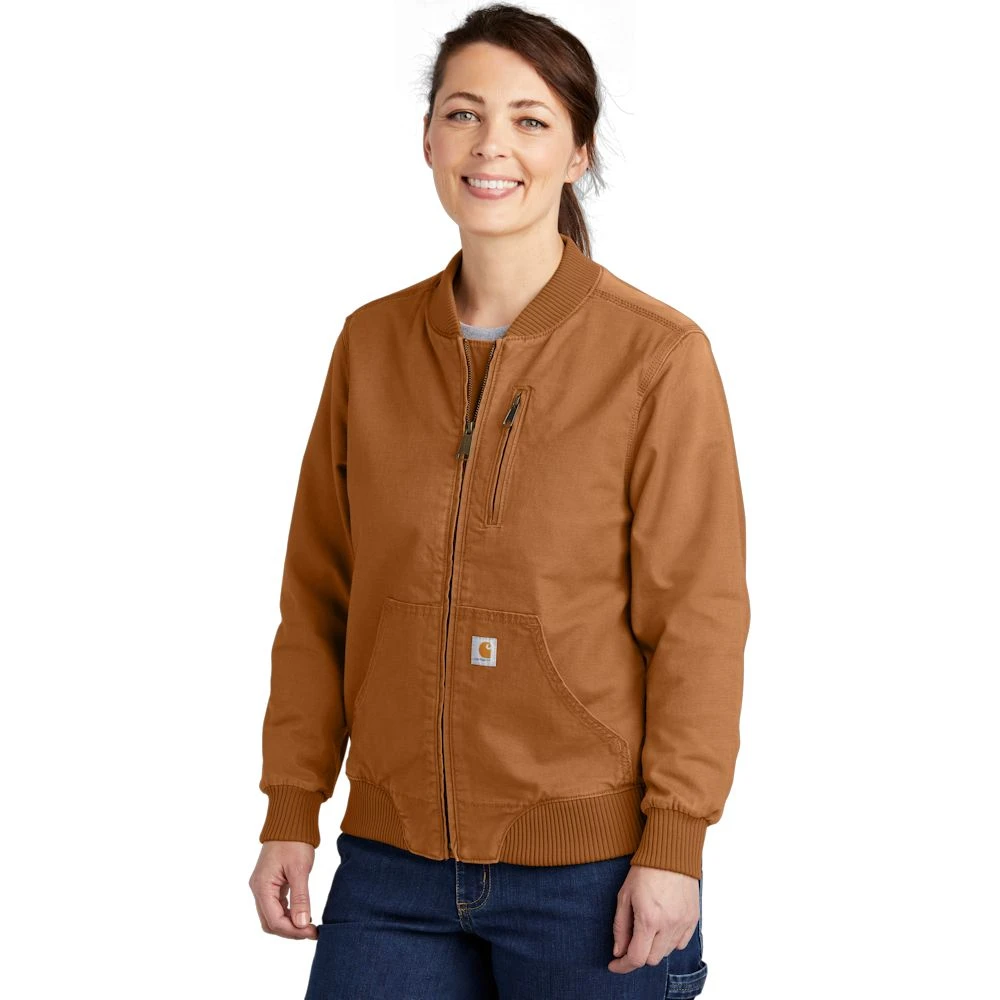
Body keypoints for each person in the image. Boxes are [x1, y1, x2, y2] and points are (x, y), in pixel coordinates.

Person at [248, 4, 750, 998]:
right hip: (389, 863)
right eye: (464, 113)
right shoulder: (370, 345)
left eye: (529, 119)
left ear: (577, 152)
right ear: (428, 138)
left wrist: (675, 841)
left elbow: (697, 618)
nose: (491, 145)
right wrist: (290, 807)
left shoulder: (656, 357)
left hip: (591, 874)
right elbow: (318, 601)